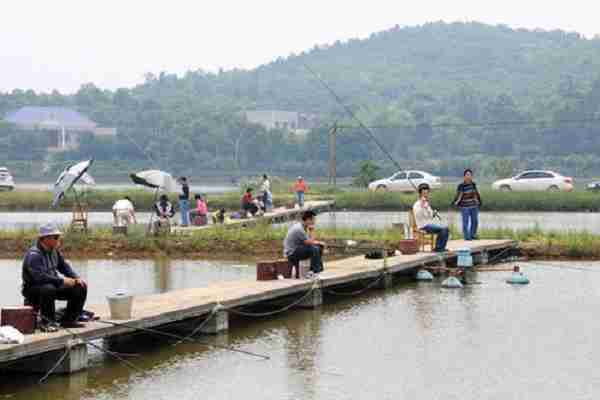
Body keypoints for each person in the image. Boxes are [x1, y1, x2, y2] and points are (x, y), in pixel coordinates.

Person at [21, 223, 88, 331]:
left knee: (80, 286)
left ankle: (69, 320)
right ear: (45, 239)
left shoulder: (54, 251)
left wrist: (76, 278)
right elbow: (40, 278)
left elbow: (64, 267)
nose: (59, 240)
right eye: (56, 237)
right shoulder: (34, 255)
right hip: (33, 289)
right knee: (48, 288)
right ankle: (47, 322)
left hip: (52, 285)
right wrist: (62, 281)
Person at [284, 210, 326, 275]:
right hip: (291, 253)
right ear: (308, 220)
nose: (314, 222)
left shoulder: (304, 227)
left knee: (319, 247)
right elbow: (310, 242)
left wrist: (319, 243)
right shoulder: (299, 229)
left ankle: (317, 269)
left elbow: (308, 241)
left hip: (298, 249)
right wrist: (312, 231)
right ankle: (315, 271)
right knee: (314, 248)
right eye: (313, 220)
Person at [413, 184, 449, 252]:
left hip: (429, 224)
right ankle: (439, 248)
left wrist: (433, 213)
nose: (426, 195)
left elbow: (429, 216)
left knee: (445, 228)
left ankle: (440, 248)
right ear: (420, 194)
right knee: (443, 229)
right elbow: (418, 215)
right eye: (424, 193)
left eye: (427, 193)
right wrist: (422, 207)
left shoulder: (426, 203)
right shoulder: (417, 204)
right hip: (423, 226)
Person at [453, 169, 482, 241]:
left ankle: (473, 234)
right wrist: (456, 202)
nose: (468, 176)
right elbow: (459, 195)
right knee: (465, 222)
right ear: (464, 176)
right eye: (467, 175)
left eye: (470, 175)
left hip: (474, 205)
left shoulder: (473, 184)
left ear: (471, 176)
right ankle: (467, 236)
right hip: (464, 206)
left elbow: (475, 194)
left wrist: (478, 201)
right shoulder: (461, 185)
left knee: (475, 221)